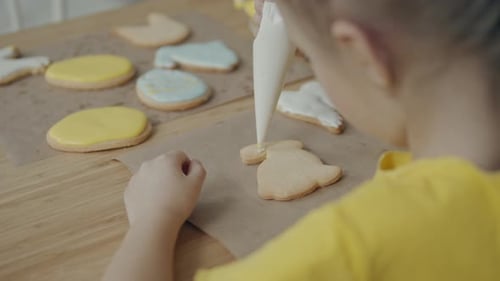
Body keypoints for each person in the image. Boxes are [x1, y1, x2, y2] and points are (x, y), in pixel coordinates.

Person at [102, 0, 500, 280]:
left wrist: (154, 219)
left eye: (310, 54)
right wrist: (323, 47)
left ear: (363, 53)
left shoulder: (351, 249)